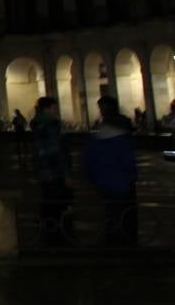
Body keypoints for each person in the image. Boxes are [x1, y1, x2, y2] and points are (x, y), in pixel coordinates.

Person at [83, 96, 138, 245]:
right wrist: (132, 175)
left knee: (111, 212)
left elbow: (88, 161)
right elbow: (129, 160)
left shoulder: (96, 138)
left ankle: (112, 239)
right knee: (126, 213)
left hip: (104, 181)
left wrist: (92, 178)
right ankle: (127, 241)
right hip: (123, 181)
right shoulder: (122, 138)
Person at [31, 96, 71, 246]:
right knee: (57, 204)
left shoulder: (37, 124)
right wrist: (67, 173)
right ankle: (57, 238)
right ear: (47, 109)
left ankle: (49, 233)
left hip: (43, 170)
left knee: (48, 201)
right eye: (54, 108)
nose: (56, 111)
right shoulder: (50, 125)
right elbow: (58, 151)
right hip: (54, 170)